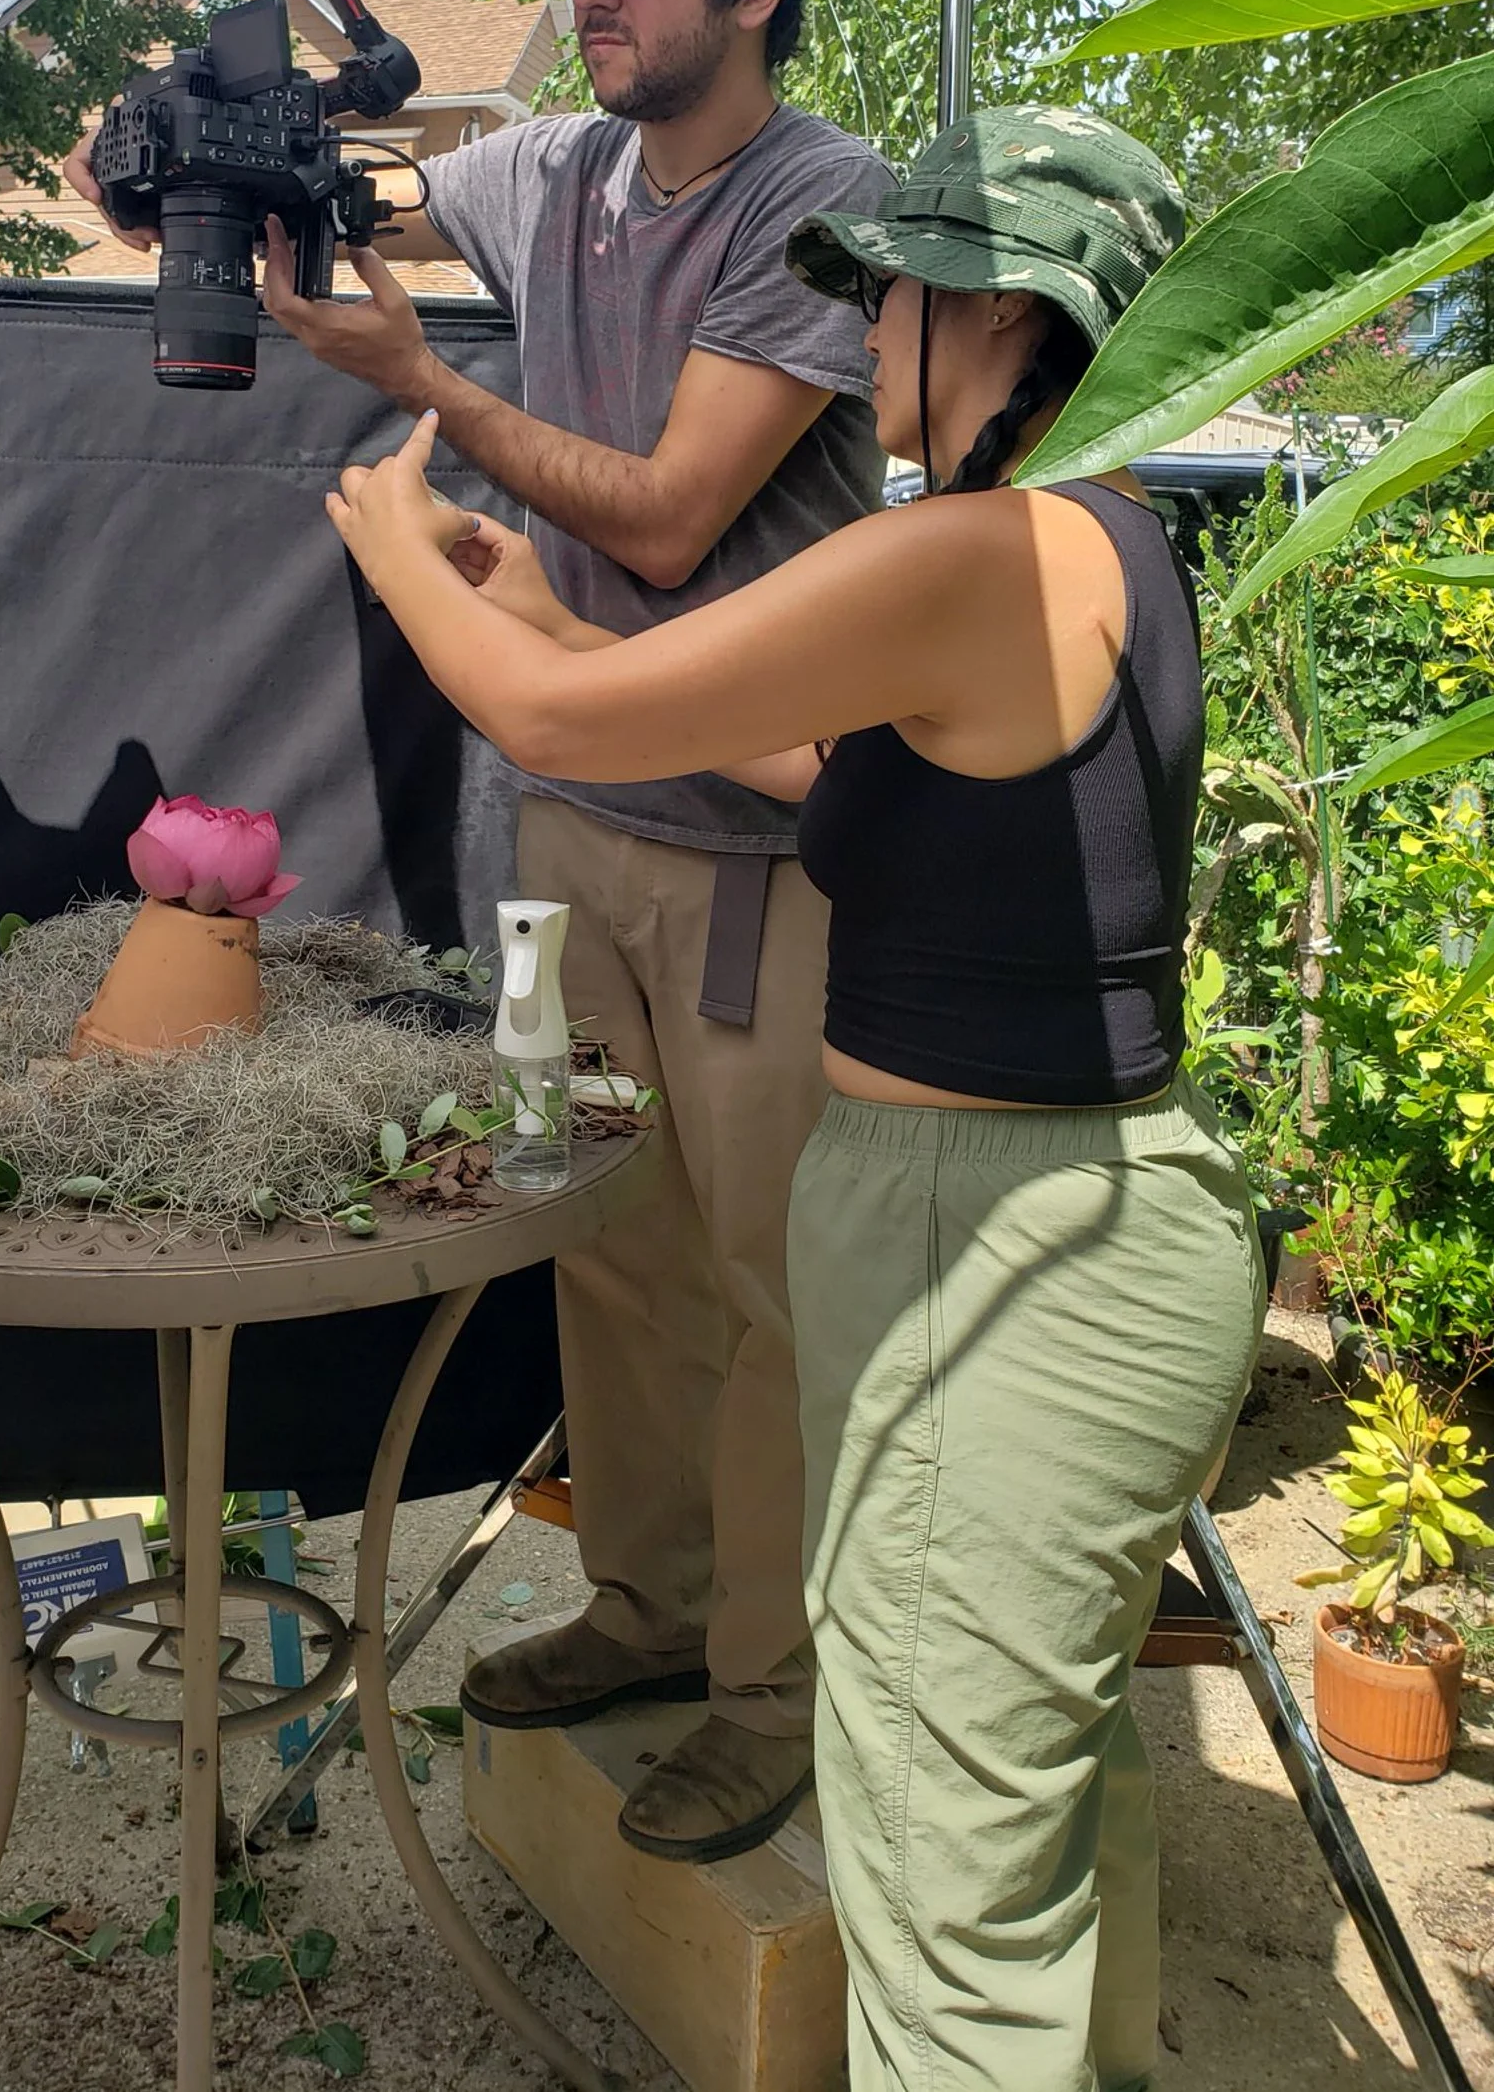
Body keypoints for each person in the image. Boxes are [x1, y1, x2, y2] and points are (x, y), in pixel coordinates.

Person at [318, 105, 1267, 2092]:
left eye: (886, 298)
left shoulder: (973, 549)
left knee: (945, 1912)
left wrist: (406, 550)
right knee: (999, 1827)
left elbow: (561, 727)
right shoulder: (1096, 540)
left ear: (997, 311)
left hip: (994, 1241)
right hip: (1049, 1216)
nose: (859, 344)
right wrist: (544, 601)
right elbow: (815, 779)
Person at [74, 0, 894, 1864]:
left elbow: (669, 510)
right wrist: (189, 121)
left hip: (749, 849)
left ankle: (777, 1694)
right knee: (602, 1256)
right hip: (567, 822)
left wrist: (415, 386)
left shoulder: (821, 202)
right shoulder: (565, 168)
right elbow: (375, 189)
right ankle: (644, 1611)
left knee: (769, 1282)